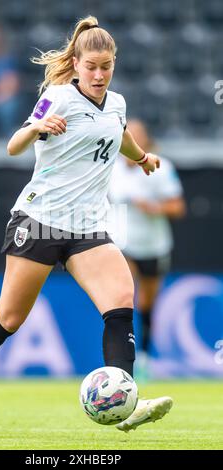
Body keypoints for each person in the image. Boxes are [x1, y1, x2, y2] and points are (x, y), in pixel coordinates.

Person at [0, 16, 173, 435]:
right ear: (77, 64)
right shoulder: (58, 97)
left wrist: (141, 159)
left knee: (121, 300)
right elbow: (14, 146)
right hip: (40, 222)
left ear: (114, 64)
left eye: (107, 66)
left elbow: (118, 133)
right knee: (8, 319)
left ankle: (124, 401)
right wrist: (37, 127)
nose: (99, 74)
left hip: (87, 228)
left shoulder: (117, 103)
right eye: (92, 67)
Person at [109, 119, 186, 379]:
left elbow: (178, 207)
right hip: (123, 244)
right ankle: (121, 360)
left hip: (154, 246)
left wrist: (154, 208)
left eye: (137, 135)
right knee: (124, 297)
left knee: (146, 304)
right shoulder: (111, 168)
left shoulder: (161, 168)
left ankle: (142, 357)